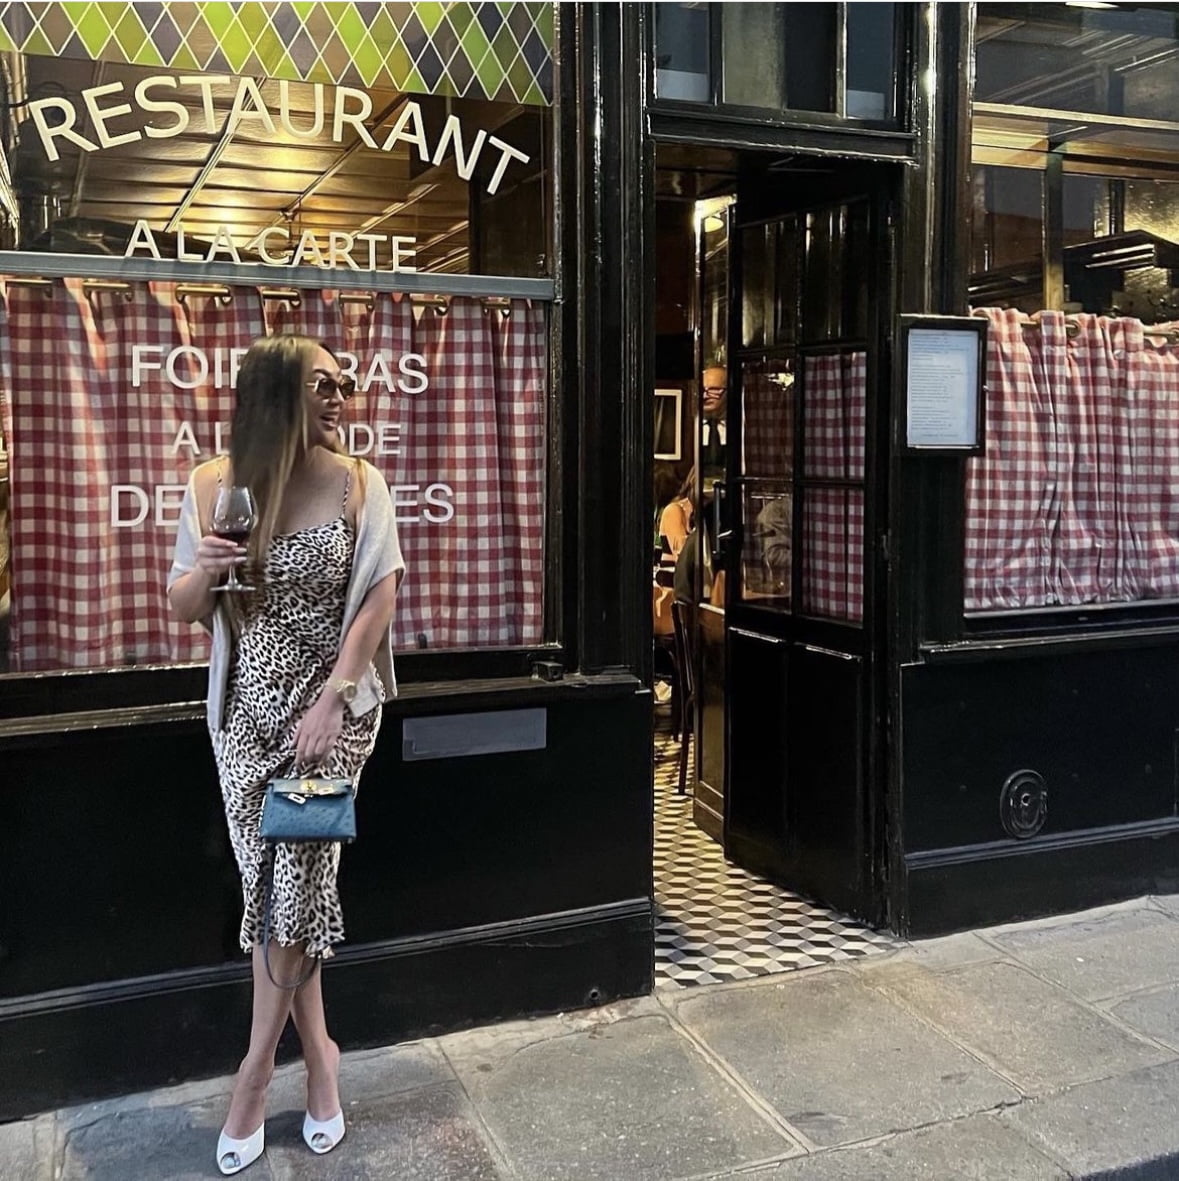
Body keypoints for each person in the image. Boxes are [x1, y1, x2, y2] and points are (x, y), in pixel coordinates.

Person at [168, 335, 404, 1175]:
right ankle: (323, 1055)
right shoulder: (211, 484)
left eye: (344, 383)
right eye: (322, 385)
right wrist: (209, 564)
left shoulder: (357, 483)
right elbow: (186, 606)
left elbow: (380, 589)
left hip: (330, 716)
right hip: (243, 714)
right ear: (274, 396)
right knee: (272, 892)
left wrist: (335, 694)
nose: (342, 396)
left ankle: (253, 1074)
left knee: (296, 880)